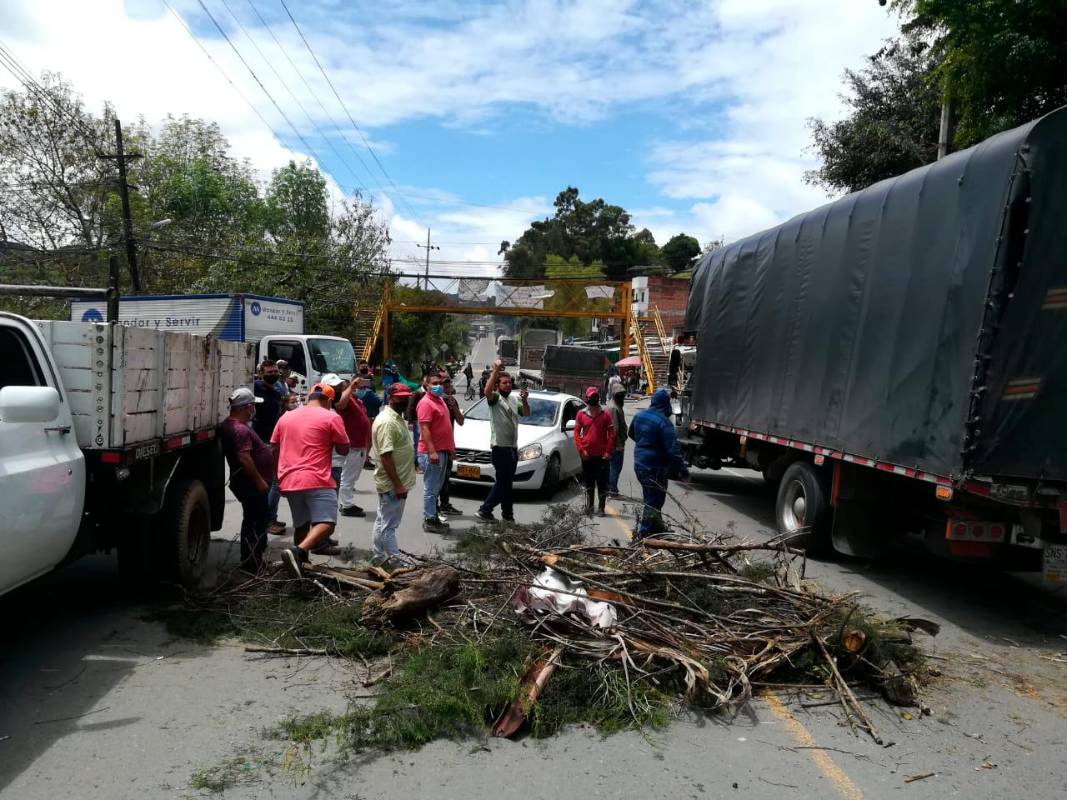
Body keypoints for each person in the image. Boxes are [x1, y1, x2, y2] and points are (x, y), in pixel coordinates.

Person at [272, 383, 350, 578]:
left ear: (309, 397)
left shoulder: (286, 417)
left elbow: (274, 448)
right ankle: (296, 552)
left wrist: (277, 477)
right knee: (327, 523)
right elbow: (344, 450)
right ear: (329, 400)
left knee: (301, 525)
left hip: (289, 479)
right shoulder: (332, 416)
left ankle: (300, 566)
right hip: (317, 478)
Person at [219, 387, 272, 573]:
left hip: (247, 482)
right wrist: (260, 481)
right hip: (250, 484)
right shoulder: (240, 430)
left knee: (255, 518)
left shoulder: (233, 426)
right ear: (247, 407)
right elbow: (244, 458)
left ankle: (253, 559)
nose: (254, 410)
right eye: (253, 406)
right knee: (256, 520)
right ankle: (252, 562)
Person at [627, 388, 690, 538]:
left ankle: (656, 527)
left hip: (640, 464)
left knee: (650, 496)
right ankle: (643, 534)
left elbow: (631, 434)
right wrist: (683, 471)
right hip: (655, 467)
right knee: (654, 500)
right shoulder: (664, 422)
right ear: (665, 403)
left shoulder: (639, 415)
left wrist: (644, 444)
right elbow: (673, 451)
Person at [370, 384, 417, 564]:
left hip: (396, 481)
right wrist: (397, 484)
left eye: (407, 397)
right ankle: (397, 562)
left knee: (382, 520)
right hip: (392, 483)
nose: (405, 400)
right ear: (391, 398)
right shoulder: (387, 422)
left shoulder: (396, 417)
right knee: (389, 526)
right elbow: (386, 455)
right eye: (401, 397)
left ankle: (378, 557)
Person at [477, 360, 529, 522]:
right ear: (498, 386)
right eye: (504, 383)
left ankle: (505, 514)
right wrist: (496, 371)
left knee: (506, 483)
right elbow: (487, 391)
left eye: (509, 383)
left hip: (512, 448)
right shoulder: (495, 399)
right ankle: (488, 510)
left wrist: (526, 399)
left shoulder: (514, 400)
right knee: (504, 482)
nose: (507, 385)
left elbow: (526, 413)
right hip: (500, 448)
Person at [322, 373, 371, 517]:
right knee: (348, 476)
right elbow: (341, 404)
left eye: (339, 385)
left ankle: (346, 501)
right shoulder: (338, 400)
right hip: (352, 444)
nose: (338, 388)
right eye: (334, 386)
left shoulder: (352, 398)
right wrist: (352, 387)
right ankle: (346, 504)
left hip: (359, 443)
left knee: (352, 475)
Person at [416, 371, 455, 533]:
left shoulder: (440, 400)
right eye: (434, 383)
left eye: (439, 382)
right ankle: (430, 519)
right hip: (432, 452)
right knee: (431, 488)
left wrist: (451, 449)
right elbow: (424, 429)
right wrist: (432, 451)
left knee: (436, 487)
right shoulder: (425, 403)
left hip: (443, 451)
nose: (438, 386)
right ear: (426, 386)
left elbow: (446, 426)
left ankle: (433, 515)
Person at [253, 359, 286, 536]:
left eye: (275, 372)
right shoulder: (257, 387)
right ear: (261, 373)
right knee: (273, 482)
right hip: (262, 441)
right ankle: (267, 520)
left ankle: (270, 516)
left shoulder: (276, 391)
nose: (273, 374)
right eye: (270, 372)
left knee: (275, 481)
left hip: (273, 441)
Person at [575, 386, 616, 516]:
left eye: (595, 397)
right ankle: (590, 507)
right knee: (589, 482)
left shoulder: (606, 414)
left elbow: (612, 434)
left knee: (602, 483)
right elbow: (576, 433)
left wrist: (608, 452)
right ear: (587, 398)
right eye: (591, 397)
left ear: (598, 398)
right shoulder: (581, 414)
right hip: (586, 455)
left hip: (602, 456)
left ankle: (601, 508)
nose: (594, 399)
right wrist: (582, 449)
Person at [438, 374, 465, 516]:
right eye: (443, 386)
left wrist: (454, 407)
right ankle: (433, 508)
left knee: (446, 477)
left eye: (448, 386)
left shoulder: (452, 401)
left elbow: (461, 421)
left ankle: (445, 504)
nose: (446, 389)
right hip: (436, 447)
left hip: (448, 445)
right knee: (436, 479)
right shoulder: (433, 402)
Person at [607, 387, 628, 498]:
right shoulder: (613, 408)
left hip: (617, 443)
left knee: (614, 467)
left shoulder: (617, 406)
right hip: (616, 444)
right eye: (621, 396)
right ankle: (612, 490)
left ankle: (610, 488)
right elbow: (614, 429)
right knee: (615, 467)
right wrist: (617, 445)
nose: (623, 398)